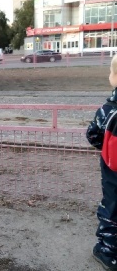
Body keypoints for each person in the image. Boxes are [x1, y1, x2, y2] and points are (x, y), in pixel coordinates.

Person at [86, 53, 117, 270]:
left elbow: (92, 134)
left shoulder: (108, 110)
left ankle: (108, 253)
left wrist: (104, 148)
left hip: (113, 169)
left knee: (112, 206)